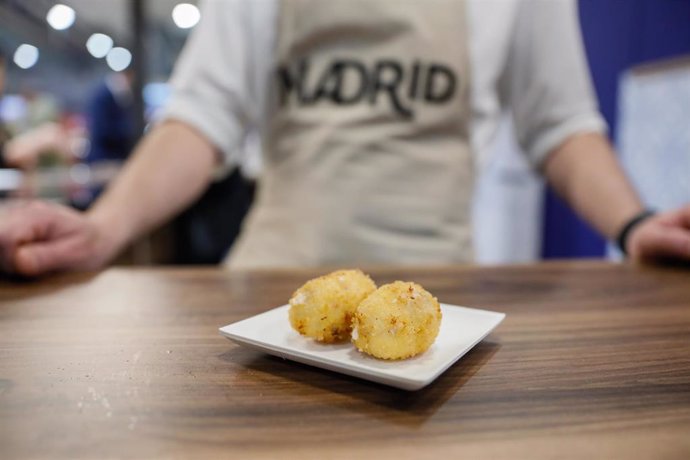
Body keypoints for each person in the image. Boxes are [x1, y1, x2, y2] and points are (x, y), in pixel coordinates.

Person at [0, 0, 689, 276]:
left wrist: (633, 224)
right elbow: (204, 112)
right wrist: (102, 230)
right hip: (269, 286)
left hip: (440, 293)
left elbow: (560, 122)